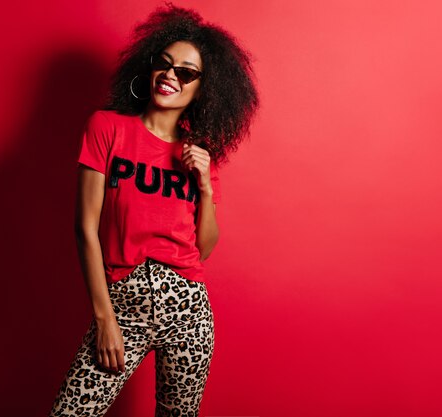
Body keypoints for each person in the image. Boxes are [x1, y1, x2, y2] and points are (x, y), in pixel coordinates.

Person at [48, 4, 258, 416]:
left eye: (186, 73)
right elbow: (85, 229)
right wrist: (104, 318)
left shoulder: (199, 154)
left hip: (189, 309)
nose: (170, 76)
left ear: (204, 89)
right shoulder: (107, 128)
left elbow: (205, 248)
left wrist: (203, 184)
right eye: (164, 65)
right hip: (123, 306)